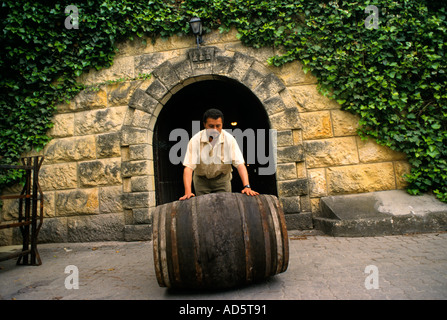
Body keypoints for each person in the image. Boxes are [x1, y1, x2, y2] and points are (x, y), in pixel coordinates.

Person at [179, 108, 259, 200]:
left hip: (222, 179)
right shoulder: (195, 140)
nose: (215, 129)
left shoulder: (229, 139)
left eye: (218, 126)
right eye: (211, 126)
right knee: (203, 207)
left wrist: (247, 186)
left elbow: (240, 164)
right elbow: (188, 168)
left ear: (222, 125)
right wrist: (188, 192)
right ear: (204, 125)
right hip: (201, 180)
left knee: (225, 206)